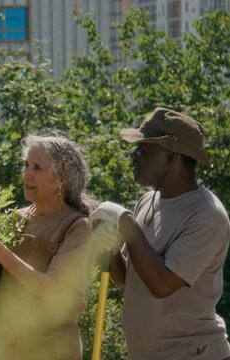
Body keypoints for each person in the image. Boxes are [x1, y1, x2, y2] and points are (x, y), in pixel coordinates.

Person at [90, 107, 230, 360]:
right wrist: (107, 248)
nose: (134, 155)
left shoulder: (206, 215)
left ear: (171, 156)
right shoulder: (147, 201)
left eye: (144, 149)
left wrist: (125, 223)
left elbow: (162, 285)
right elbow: (128, 280)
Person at [0, 134, 96, 359]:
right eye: (26, 165)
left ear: (61, 179)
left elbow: (60, 296)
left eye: (37, 167)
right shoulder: (17, 219)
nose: (27, 174)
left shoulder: (78, 227)